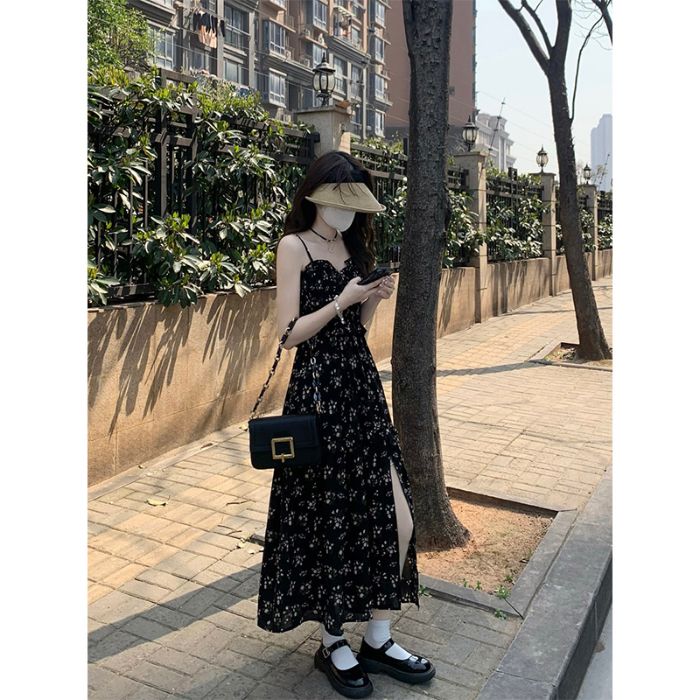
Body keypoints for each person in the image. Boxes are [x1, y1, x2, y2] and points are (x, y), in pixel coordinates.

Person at [256, 151, 436, 697]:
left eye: (353, 204)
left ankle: (377, 636)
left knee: (397, 516)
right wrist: (341, 300)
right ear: (315, 197)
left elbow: (357, 329)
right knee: (328, 518)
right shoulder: (295, 246)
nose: (345, 214)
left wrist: (371, 299)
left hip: (360, 390)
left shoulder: (355, 248)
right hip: (317, 396)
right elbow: (288, 334)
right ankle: (333, 639)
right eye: (337, 203)